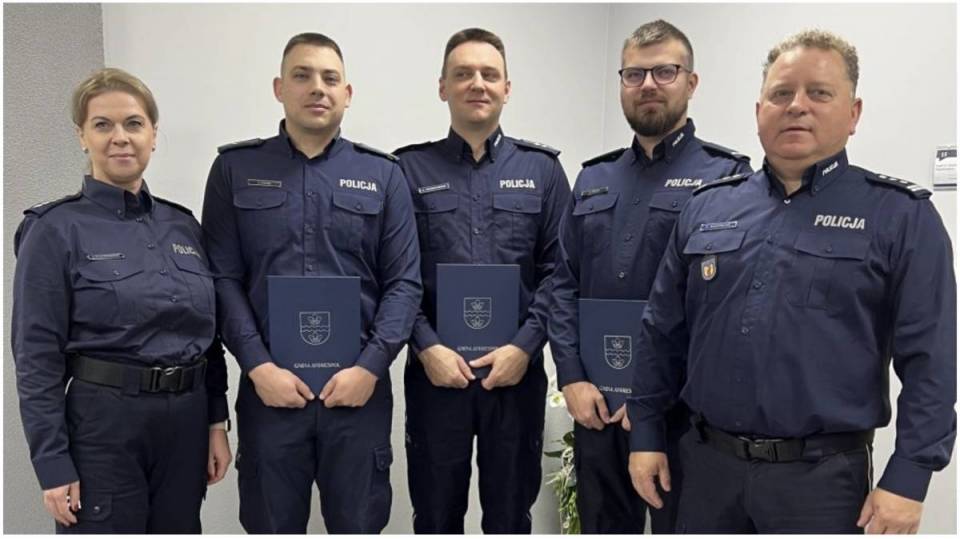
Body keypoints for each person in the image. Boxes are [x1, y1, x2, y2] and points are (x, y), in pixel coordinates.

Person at [627, 29, 956, 534]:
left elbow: (931, 360)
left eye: (819, 93)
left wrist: (909, 476)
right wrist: (646, 434)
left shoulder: (900, 217)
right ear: (759, 109)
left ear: (853, 113)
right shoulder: (707, 207)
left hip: (821, 483)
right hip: (707, 470)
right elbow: (661, 333)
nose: (796, 106)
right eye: (781, 94)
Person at [201, 32, 422, 533]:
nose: (317, 88)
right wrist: (258, 366)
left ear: (348, 93)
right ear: (279, 88)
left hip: (358, 396)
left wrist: (370, 367)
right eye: (302, 75)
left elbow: (404, 284)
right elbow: (222, 279)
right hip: (270, 396)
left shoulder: (384, 175)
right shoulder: (235, 170)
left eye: (330, 78)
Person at [548, 19, 751, 534]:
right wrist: (571, 377)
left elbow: (729, 309)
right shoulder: (593, 178)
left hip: (680, 418)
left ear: (691, 81)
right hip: (596, 408)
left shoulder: (727, 179)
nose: (648, 85)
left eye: (665, 71)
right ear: (621, 83)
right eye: (634, 74)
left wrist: (654, 402)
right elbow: (563, 285)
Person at [11, 67, 232, 533]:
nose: (120, 137)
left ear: (153, 134)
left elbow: (208, 337)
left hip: (186, 422)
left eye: (134, 123)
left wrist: (216, 421)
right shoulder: (54, 230)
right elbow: (36, 357)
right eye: (102, 125)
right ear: (82, 136)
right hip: (104, 424)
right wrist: (52, 463)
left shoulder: (184, 227)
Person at [394, 28, 570, 533]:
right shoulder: (407, 170)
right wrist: (426, 346)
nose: (477, 83)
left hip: (515, 379)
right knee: (435, 515)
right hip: (435, 377)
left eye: (489, 74)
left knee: (510, 517)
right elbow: (395, 274)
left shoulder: (543, 172)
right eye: (463, 73)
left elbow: (560, 273)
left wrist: (524, 347)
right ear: (442, 87)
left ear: (507, 88)